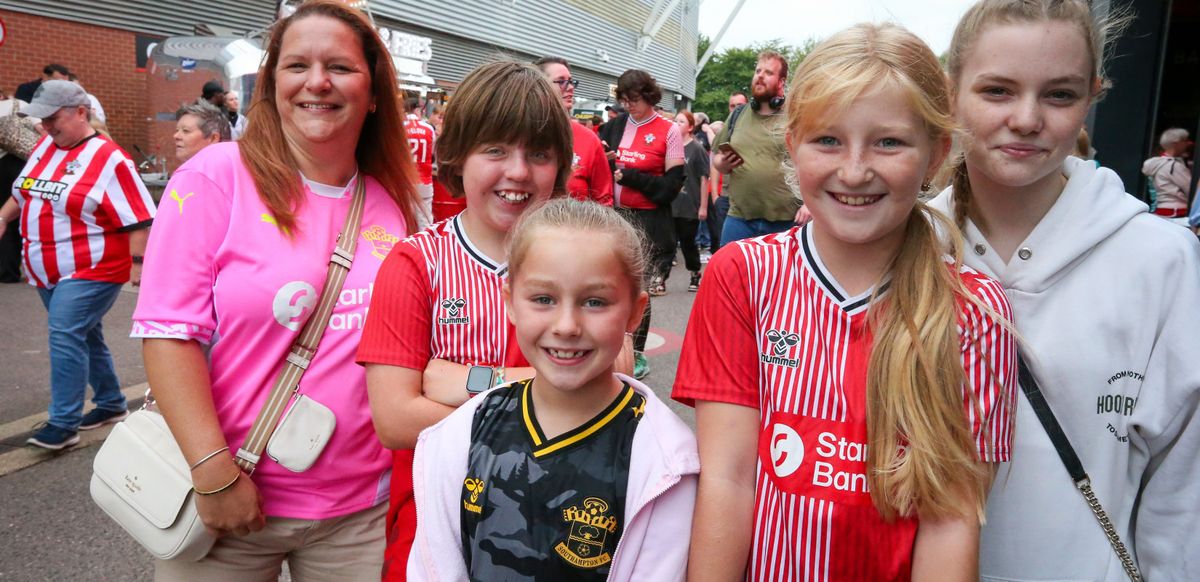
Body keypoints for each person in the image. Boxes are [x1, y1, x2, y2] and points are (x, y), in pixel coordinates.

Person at [675, 23, 1018, 581]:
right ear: (793, 145)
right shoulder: (743, 275)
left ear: (936, 154)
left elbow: (951, 520)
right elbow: (729, 480)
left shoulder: (976, 311)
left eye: (889, 142)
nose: (855, 171)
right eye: (828, 140)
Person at [131, 2, 421, 577]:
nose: (317, 82)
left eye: (339, 66)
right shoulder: (214, 176)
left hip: (363, 510)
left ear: (375, 92)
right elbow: (167, 333)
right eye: (297, 66)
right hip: (229, 500)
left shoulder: (392, 203)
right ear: (273, 84)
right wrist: (213, 473)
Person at [931, 1, 1200, 580]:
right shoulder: (905, 247)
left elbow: (1183, 487)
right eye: (997, 90)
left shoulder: (1163, 261)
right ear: (950, 91)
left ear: (1092, 96)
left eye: (1059, 95)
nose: (1027, 119)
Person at [355, 60, 572, 581]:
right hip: (436, 526)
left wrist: (463, 382)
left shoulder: (578, 256)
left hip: (560, 523)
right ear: (459, 157)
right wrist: (539, 392)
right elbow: (396, 419)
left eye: (538, 153)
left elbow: (620, 373)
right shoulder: (418, 263)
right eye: (495, 149)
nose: (518, 171)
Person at [406, 198, 698, 581]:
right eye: (543, 299)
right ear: (510, 301)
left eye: (595, 302)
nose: (566, 326)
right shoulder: (462, 434)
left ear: (634, 312)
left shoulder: (663, 463)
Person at [0, 80, 155, 450]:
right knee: (85, 334)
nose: (46, 126)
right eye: (41, 120)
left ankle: (63, 423)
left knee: (65, 333)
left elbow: (139, 218)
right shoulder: (44, 147)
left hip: (94, 266)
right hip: (44, 267)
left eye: (53, 118)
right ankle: (111, 403)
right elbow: (24, 191)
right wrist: (3, 216)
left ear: (80, 112)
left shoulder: (109, 158)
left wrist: (138, 268)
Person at [597, 69, 684, 378]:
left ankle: (636, 353)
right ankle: (607, 348)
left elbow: (670, 188)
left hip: (648, 219)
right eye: (623, 99)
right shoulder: (611, 127)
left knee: (638, 288)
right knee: (607, 285)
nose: (629, 105)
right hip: (613, 215)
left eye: (634, 99)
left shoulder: (668, 130)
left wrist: (630, 177)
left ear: (649, 97)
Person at [711, 52, 801, 245]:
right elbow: (717, 160)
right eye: (758, 71)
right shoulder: (738, 114)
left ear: (781, 81)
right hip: (739, 218)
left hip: (785, 222)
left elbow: (813, 163)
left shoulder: (795, 116)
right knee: (728, 274)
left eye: (768, 72)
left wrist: (809, 205)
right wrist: (723, 164)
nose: (760, 75)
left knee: (778, 276)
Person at [535, 56, 613, 206]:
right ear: (539, 86)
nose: (570, 87)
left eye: (571, 81)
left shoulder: (588, 139)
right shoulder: (520, 132)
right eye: (561, 81)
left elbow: (604, 200)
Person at [671, 110, 708, 292]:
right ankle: (660, 277)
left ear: (690, 127)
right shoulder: (669, 147)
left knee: (687, 242)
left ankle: (694, 272)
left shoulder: (697, 148)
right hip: (670, 203)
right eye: (675, 121)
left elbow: (703, 178)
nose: (677, 124)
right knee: (667, 242)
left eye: (681, 121)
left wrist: (703, 206)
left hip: (689, 204)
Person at [1142, 127, 1193, 225]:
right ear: (1176, 143)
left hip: (1161, 210)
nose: (1188, 143)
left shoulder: (1157, 163)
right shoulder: (1173, 166)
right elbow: (1191, 190)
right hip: (1178, 213)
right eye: (1185, 140)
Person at [404, 95, 436, 226]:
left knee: (403, 217)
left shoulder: (400, 127)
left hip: (404, 180)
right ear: (418, 109)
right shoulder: (429, 129)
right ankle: (425, 246)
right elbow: (432, 153)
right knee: (425, 221)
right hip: (424, 180)